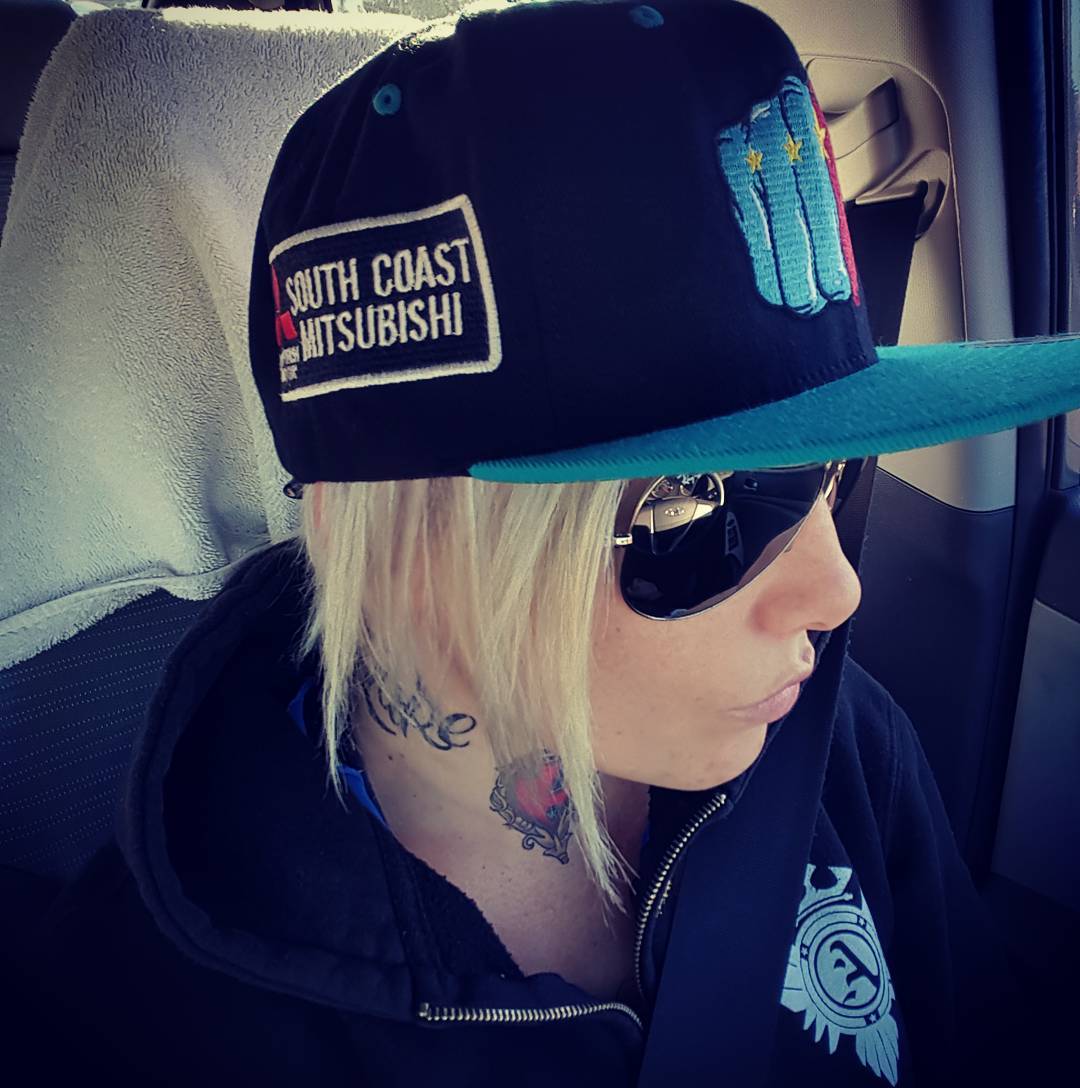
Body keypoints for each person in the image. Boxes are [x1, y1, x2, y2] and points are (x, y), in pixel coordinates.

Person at [24, 1, 1079, 1084]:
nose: (836, 591)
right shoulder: (139, 1020)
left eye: (834, 471)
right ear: (409, 562)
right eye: (697, 506)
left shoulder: (840, 743)